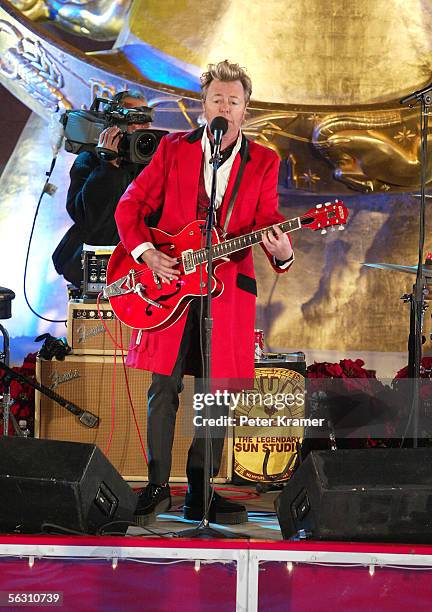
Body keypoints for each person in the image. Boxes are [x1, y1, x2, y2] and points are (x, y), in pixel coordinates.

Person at [114, 60, 294, 526]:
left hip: (227, 290)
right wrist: (146, 252)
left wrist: (283, 251)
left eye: (234, 102)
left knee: (218, 392)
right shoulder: (174, 150)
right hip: (171, 284)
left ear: (245, 111)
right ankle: (156, 488)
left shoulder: (265, 161)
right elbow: (132, 203)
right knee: (164, 386)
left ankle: (200, 491)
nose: (225, 108)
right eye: (217, 99)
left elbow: (268, 220)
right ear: (203, 106)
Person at [52, 90, 151, 288]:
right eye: (134, 117)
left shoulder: (152, 161)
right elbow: (83, 215)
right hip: (94, 261)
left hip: (140, 266)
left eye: (145, 118)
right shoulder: (89, 159)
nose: (140, 125)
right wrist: (108, 166)